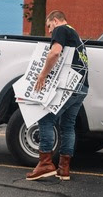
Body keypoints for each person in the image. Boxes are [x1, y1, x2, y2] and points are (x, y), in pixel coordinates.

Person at [26, 10, 89, 181]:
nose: (49, 31)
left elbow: (55, 52)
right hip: (82, 87)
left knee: (46, 118)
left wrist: (42, 75)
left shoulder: (61, 30)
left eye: (49, 26)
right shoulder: (75, 34)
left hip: (69, 87)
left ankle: (45, 164)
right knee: (68, 126)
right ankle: (64, 169)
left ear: (55, 20)